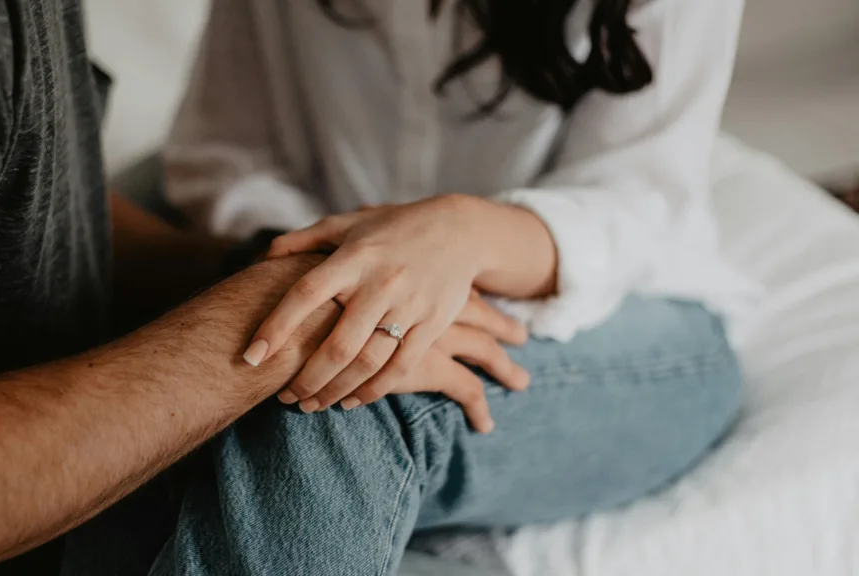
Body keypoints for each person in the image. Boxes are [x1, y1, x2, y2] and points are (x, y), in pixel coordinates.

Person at [0, 1, 541, 574]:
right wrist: (290, 310)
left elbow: (16, 200)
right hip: (2, 515)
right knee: (350, 391)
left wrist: (259, 266)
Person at [157, 0, 759, 573]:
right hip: (316, 246)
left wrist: (460, 237)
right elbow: (225, 152)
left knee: (350, 383)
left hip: (629, 303)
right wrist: (348, 269)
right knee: (321, 342)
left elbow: (642, 201)